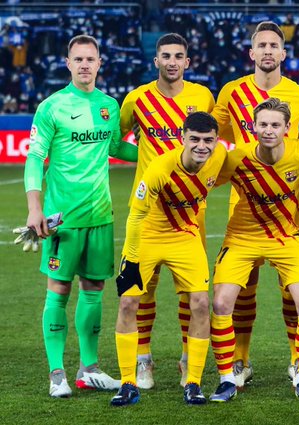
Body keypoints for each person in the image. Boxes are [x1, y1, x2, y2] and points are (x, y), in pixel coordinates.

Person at [211, 22, 299, 387]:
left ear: (283, 53)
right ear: (251, 53)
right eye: (260, 45)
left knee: (292, 294)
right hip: (243, 211)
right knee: (241, 291)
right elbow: (213, 137)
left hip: (285, 215)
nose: (267, 51)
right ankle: (240, 362)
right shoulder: (231, 92)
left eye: (273, 46)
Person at [209, 97, 299, 403]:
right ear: (253, 127)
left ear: (287, 128)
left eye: (275, 125)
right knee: (220, 304)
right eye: (263, 124)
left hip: (288, 239)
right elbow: (201, 180)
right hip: (241, 239)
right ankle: (227, 378)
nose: (268, 130)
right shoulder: (236, 158)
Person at [22, 34, 136, 397]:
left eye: (91, 59)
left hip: (100, 214)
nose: (85, 64)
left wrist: (158, 151)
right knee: (58, 290)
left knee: (94, 289)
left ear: (100, 63)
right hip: (62, 218)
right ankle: (57, 374)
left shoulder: (108, 105)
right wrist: (34, 209)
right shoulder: (51, 107)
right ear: (68, 64)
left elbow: (117, 147)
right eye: (78, 59)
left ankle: (88, 369)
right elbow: (34, 159)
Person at [119, 32, 215, 390]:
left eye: (178, 56)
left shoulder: (202, 96)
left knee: (191, 294)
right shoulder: (137, 99)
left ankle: (189, 357)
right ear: (155, 61)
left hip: (191, 214)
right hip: (147, 213)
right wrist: (147, 162)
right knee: (140, 292)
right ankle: (143, 360)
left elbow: (213, 138)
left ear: (187, 62)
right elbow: (118, 140)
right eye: (165, 56)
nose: (172, 61)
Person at [110, 112, 226, 406]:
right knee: (128, 301)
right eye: (195, 139)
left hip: (184, 237)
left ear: (216, 141)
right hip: (147, 235)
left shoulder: (220, 156)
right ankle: (127, 382)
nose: (202, 146)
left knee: (200, 303)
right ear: (182, 138)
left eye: (208, 140)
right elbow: (136, 216)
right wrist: (132, 261)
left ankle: (193, 382)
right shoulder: (160, 167)